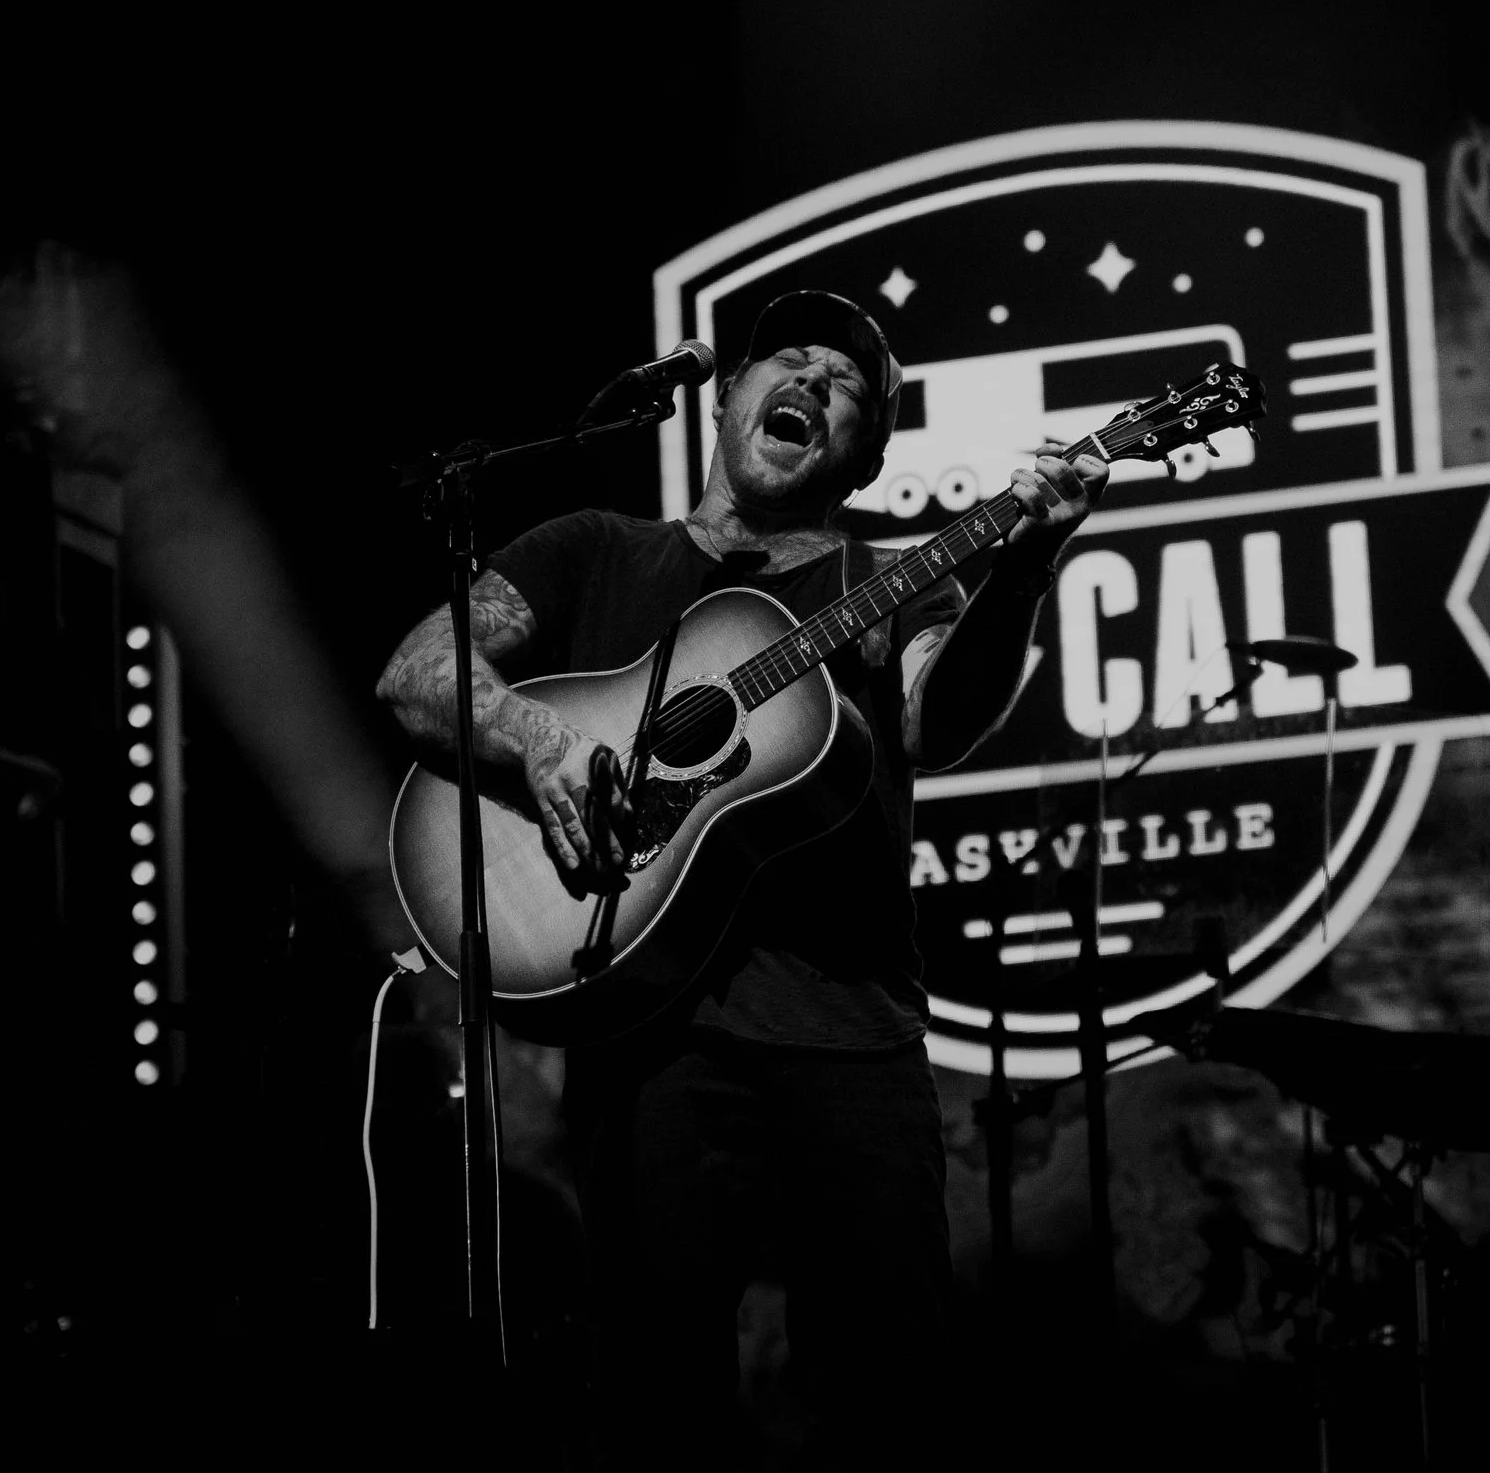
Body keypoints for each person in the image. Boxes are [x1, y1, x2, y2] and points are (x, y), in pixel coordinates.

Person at [376, 289, 1107, 1464]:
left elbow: (934, 719)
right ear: (724, 399)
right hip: (645, 1039)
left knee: (888, 1397)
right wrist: (538, 736)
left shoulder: (896, 582)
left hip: (850, 1033)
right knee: (659, 1403)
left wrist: (1025, 568)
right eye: (790, 359)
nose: (812, 381)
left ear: (865, 451)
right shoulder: (593, 550)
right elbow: (418, 670)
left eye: (846, 384)